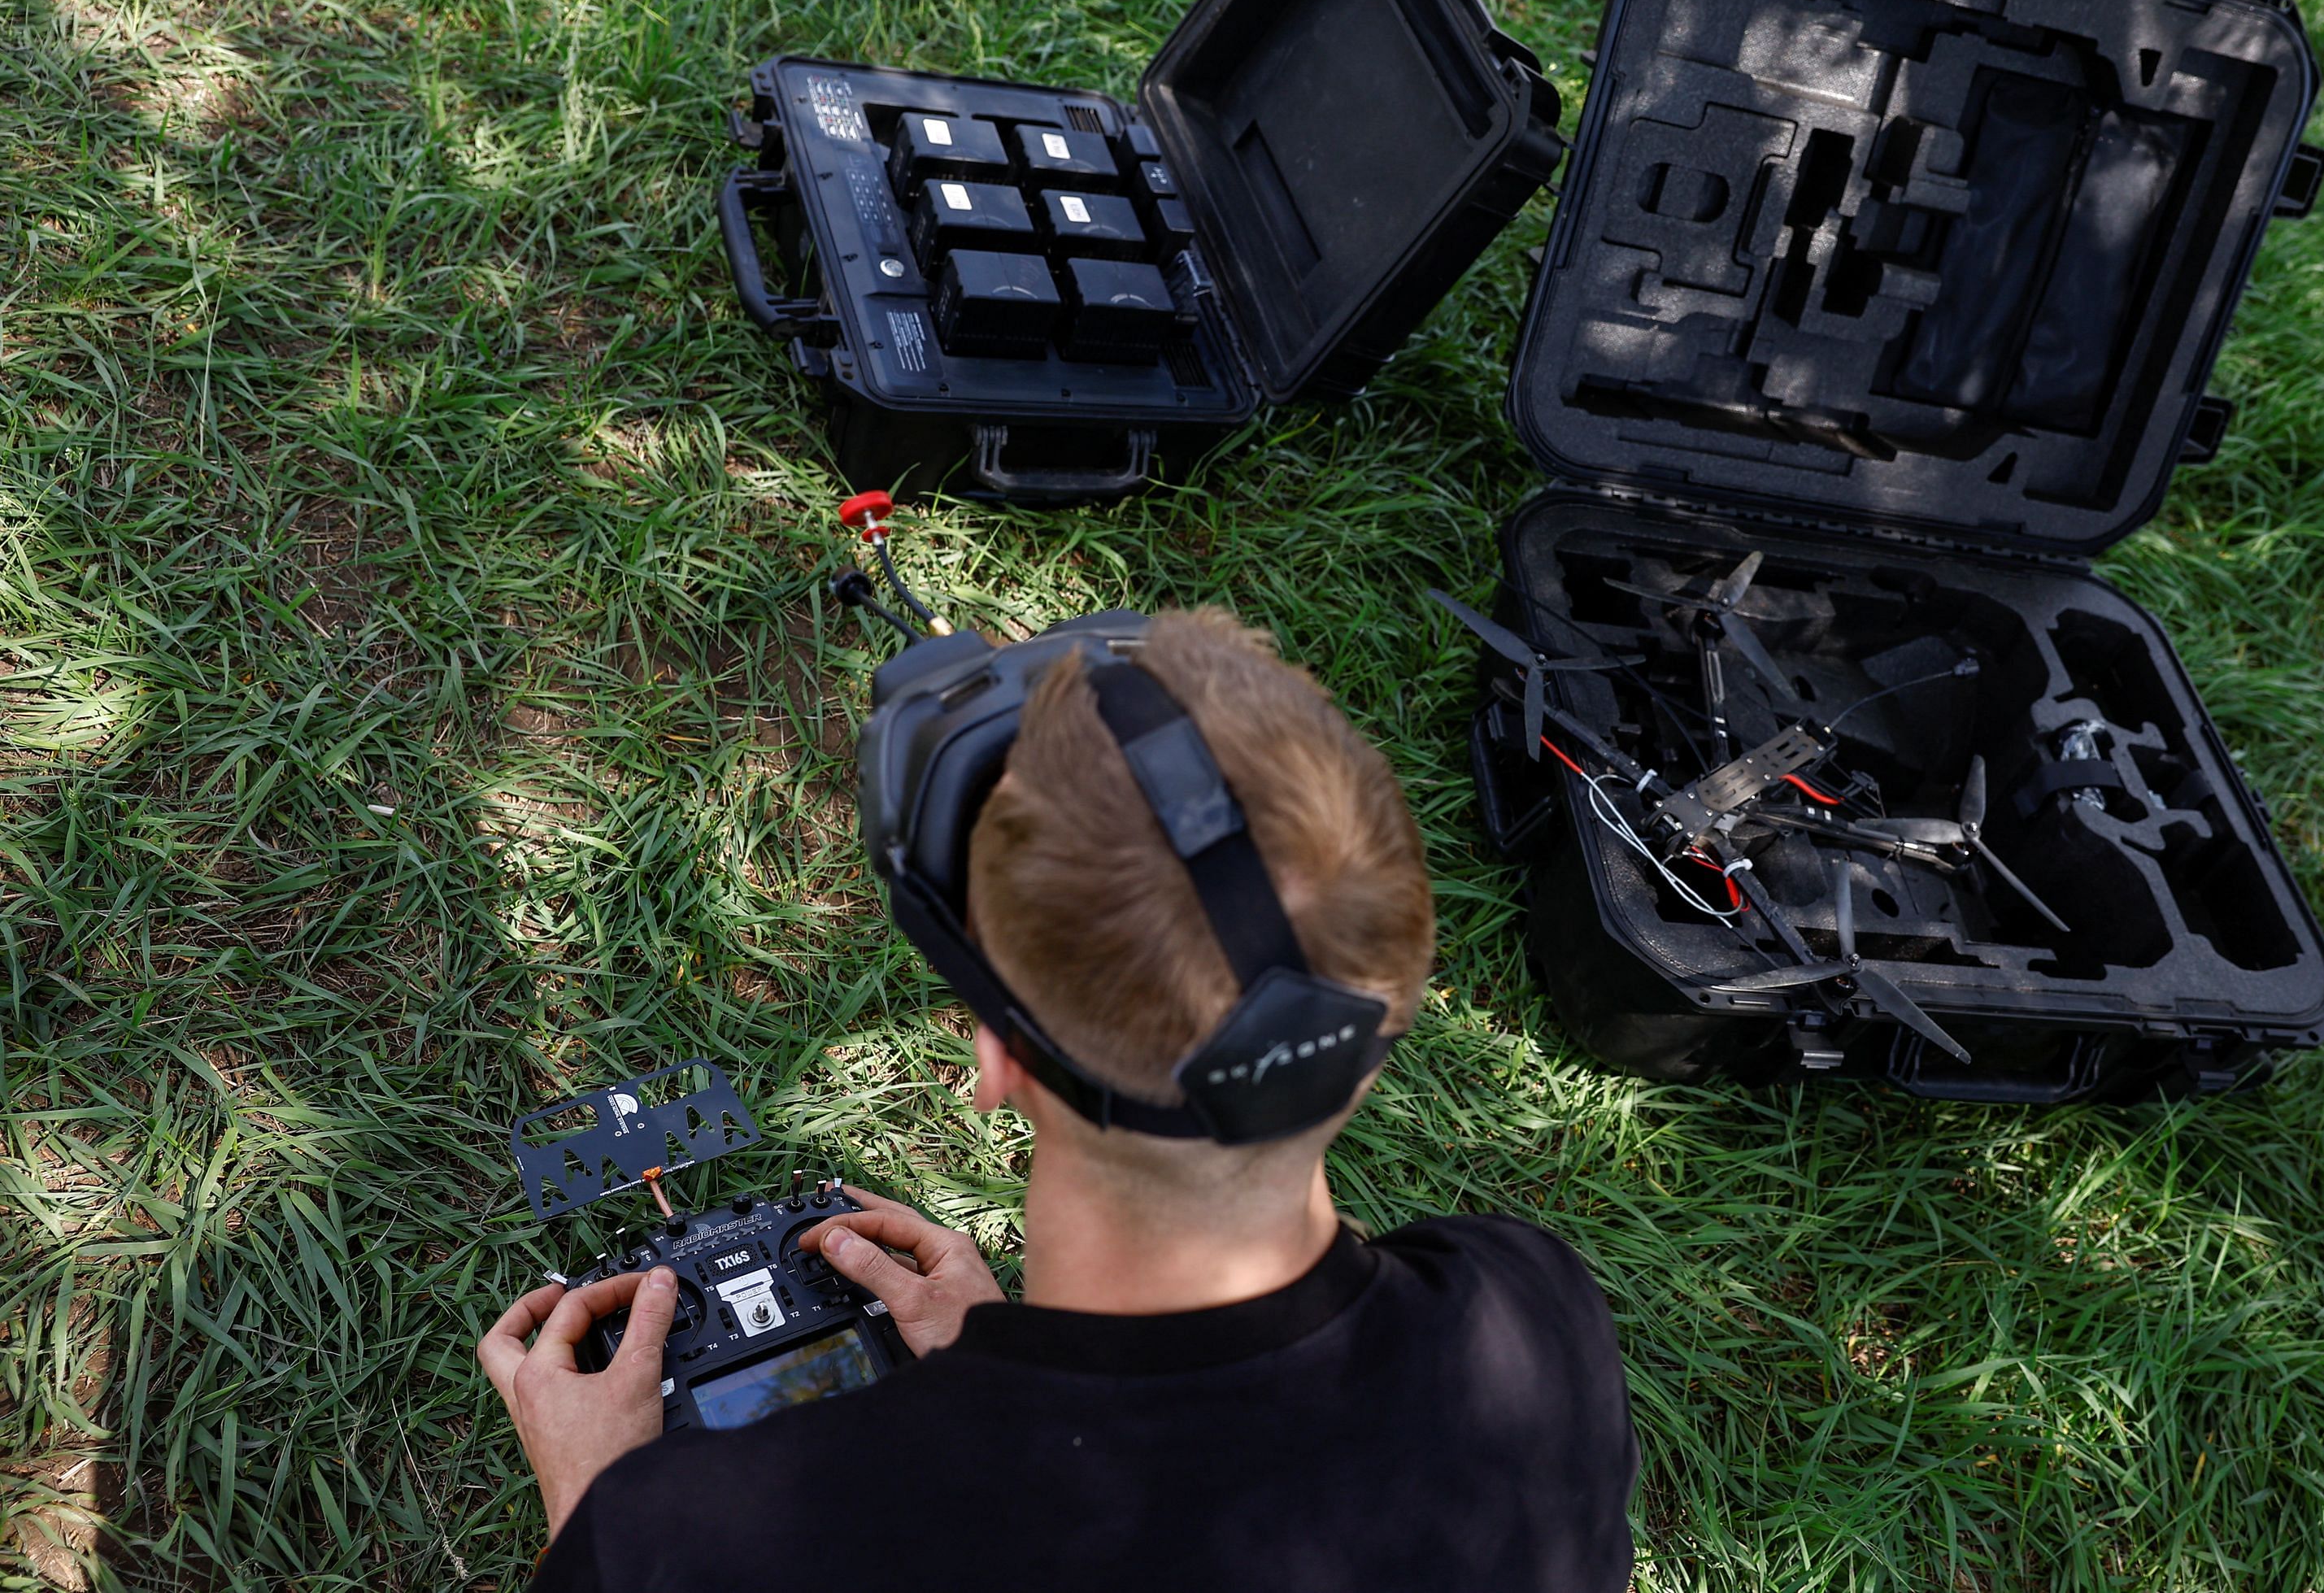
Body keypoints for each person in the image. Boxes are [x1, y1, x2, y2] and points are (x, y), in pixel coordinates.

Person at [477, 607, 1639, 1590]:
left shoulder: (699, 1542)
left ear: (998, 1060)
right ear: (1375, 1040)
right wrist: (1008, 1363)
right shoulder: (1529, 1322)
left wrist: (595, 1511)